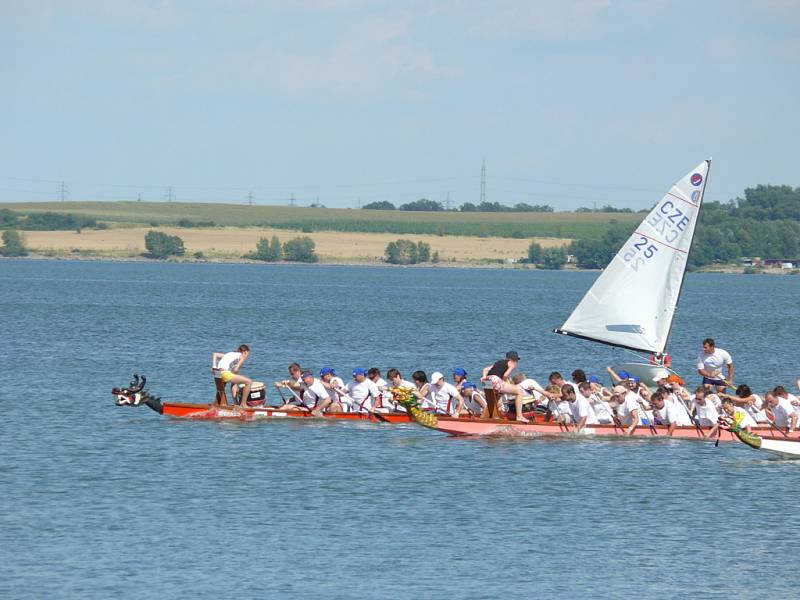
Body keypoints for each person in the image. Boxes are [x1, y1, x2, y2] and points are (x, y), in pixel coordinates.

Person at [481, 351, 529, 423]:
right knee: (519, 392)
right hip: (495, 380)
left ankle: (486, 416)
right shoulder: (512, 363)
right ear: (514, 359)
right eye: (517, 361)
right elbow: (505, 375)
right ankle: (519, 416)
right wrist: (503, 383)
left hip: (486, 381)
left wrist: (484, 377)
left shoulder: (498, 362)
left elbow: (485, 369)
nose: (517, 363)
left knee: (495, 397)